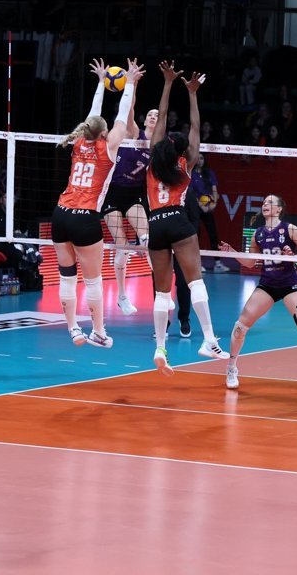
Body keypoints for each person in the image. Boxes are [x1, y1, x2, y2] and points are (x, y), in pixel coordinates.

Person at [51, 58, 142, 348]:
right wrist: (129, 83)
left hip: (60, 214)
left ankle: (73, 329)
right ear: (104, 133)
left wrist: (101, 82)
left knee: (67, 277)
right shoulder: (109, 146)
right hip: (85, 218)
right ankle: (99, 332)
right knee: (92, 281)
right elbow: (122, 114)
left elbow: (93, 114)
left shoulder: (79, 141)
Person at [145, 62, 228, 374]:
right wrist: (192, 94)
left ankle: (159, 347)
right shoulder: (187, 164)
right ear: (183, 151)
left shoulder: (154, 158)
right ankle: (208, 339)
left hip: (155, 224)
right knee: (195, 282)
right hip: (179, 221)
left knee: (161, 291)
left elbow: (162, 116)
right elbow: (195, 127)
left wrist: (167, 83)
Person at [218, 194, 297, 392]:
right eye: (264, 203)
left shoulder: (290, 229)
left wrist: (292, 256)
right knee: (239, 327)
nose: (265, 205)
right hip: (268, 285)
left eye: (270, 203)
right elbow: (251, 262)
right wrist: (233, 252)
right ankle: (231, 368)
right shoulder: (258, 234)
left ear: (279, 209)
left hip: (290, 284)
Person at [101, 108, 157, 315]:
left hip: (134, 194)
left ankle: (162, 291)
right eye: (150, 114)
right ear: (145, 121)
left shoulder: (159, 146)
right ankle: (122, 297)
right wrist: (131, 91)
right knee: (122, 247)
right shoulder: (135, 134)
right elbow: (130, 113)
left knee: (147, 240)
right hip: (112, 192)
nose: (153, 117)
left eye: (157, 115)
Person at [189, 153, 226, 271]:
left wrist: (214, 204)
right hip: (195, 207)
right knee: (195, 235)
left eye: (202, 158)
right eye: (198, 158)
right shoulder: (190, 173)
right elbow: (191, 192)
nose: (200, 160)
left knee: (213, 234)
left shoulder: (209, 173)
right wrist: (200, 205)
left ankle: (218, 264)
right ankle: (196, 264)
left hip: (208, 207)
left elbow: (214, 190)